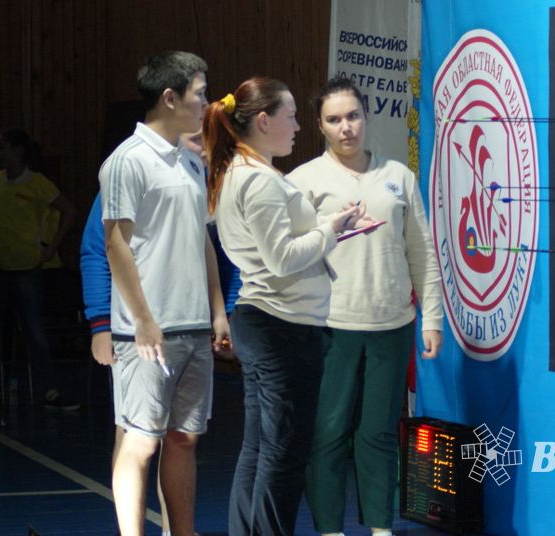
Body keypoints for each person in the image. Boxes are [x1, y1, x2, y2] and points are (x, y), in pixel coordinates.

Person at [202, 77, 363, 536]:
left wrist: (333, 227)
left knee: (261, 447)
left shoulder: (238, 173)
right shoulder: (258, 182)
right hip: (281, 328)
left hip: (270, 322)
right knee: (284, 452)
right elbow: (282, 258)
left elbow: (277, 248)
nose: (297, 126)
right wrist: (330, 229)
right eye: (291, 116)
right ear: (263, 120)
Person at [287, 76, 443, 536]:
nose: (346, 128)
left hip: (392, 325)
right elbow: (283, 254)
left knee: (377, 433)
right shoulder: (302, 182)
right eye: (334, 120)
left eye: (353, 116)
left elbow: (422, 251)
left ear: (366, 117)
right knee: (328, 434)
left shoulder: (398, 177)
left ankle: (380, 527)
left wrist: (430, 318)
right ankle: (330, 529)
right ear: (319, 126)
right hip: (329, 327)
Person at [99, 51, 230, 536]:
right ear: (170, 97)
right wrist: (143, 319)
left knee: (184, 439)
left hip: (194, 326)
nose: (207, 102)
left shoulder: (191, 162)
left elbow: (203, 241)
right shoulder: (126, 161)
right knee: (140, 441)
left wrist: (218, 311)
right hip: (146, 333)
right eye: (200, 92)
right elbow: (115, 244)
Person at [0, 127, 78, 411]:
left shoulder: (38, 184)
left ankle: (50, 392)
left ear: (18, 151)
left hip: (26, 269)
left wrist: (51, 246)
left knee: (33, 331)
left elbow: (69, 210)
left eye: (3, 146)